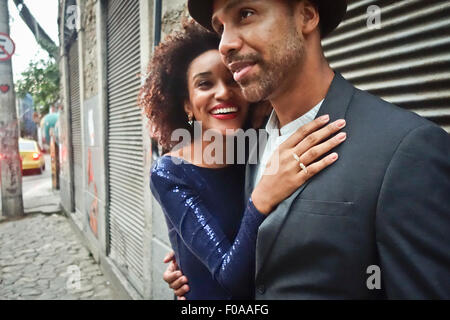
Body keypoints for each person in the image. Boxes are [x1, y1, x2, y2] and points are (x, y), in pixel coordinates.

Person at [165, 0, 450, 299]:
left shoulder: (406, 148)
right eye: (220, 27)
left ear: (306, 15)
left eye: (245, 14)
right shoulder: (250, 143)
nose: (225, 44)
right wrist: (193, 271)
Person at [140, 21, 346, 300]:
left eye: (232, 80)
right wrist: (263, 197)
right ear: (187, 105)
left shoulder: (261, 149)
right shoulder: (171, 173)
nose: (223, 93)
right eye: (204, 84)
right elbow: (229, 278)